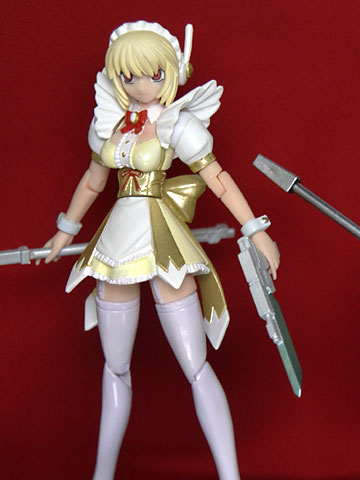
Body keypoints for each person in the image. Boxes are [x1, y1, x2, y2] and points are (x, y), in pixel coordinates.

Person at [43, 21, 279, 480]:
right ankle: (102, 474)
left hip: (162, 240)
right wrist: (65, 231)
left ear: (170, 73)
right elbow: (93, 181)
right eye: (128, 75)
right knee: (115, 367)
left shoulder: (175, 123)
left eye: (152, 74)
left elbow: (217, 178)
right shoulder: (108, 125)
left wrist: (256, 230)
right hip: (116, 243)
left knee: (196, 366)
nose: (140, 84)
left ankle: (230, 474)